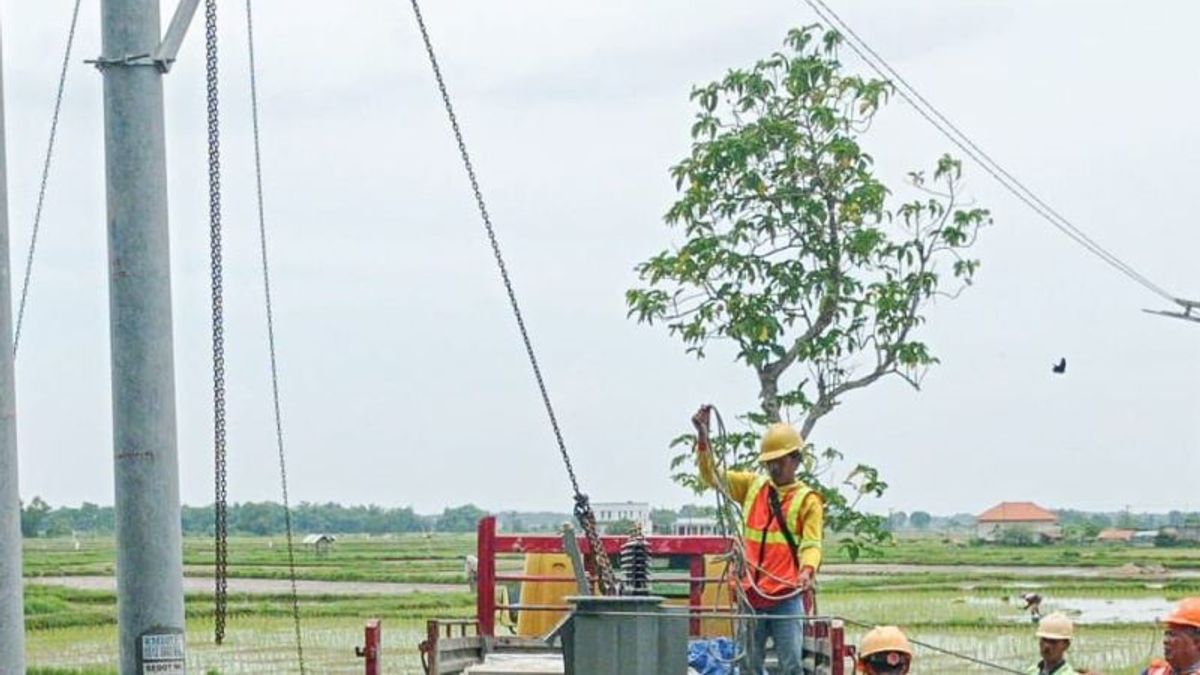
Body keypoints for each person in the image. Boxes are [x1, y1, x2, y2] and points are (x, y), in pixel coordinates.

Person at [692, 405, 824, 675]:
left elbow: (812, 544)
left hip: (786, 596)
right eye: (769, 462)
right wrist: (703, 440)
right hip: (751, 593)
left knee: (791, 666)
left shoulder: (807, 500)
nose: (774, 467)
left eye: (780, 461)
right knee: (748, 665)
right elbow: (711, 476)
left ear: (796, 459)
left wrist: (807, 571)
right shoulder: (753, 486)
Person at [1142, 598, 1200, 675]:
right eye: (1166, 634)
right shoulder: (1154, 672)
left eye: (1173, 634)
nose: (1165, 641)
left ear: (1197, 643)